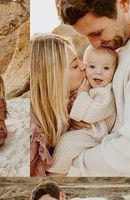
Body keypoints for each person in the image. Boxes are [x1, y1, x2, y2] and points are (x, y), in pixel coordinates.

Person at [56, 0, 130, 176]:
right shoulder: (123, 44)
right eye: (87, 36)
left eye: (97, 33)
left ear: (123, 3)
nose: (95, 44)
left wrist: (71, 156)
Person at [49, 46, 117, 175]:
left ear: (114, 71)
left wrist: (82, 94)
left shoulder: (105, 92)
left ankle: (56, 173)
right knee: (62, 140)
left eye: (106, 68)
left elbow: (93, 113)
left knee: (66, 143)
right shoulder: (90, 86)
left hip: (96, 133)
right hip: (86, 129)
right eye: (92, 67)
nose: (99, 72)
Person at [30, 33, 85, 176]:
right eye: (74, 65)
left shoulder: (69, 103)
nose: (83, 66)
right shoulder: (32, 136)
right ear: (54, 77)